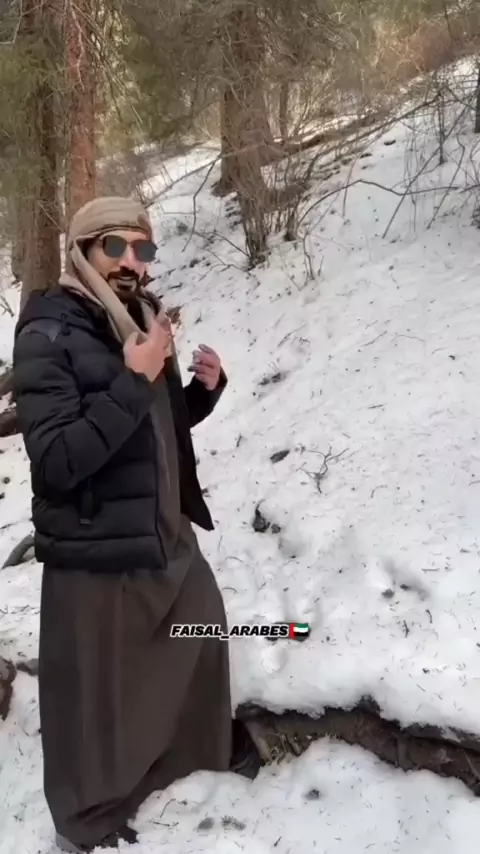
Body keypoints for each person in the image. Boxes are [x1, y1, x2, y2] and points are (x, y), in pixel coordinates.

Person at [12, 197, 259, 853]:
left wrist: (200, 393)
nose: (130, 262)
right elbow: (58, 459)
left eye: (142, 249)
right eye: (114, 246)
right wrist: (133, 378)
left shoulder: (141, 317)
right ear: (82, 252)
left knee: (199, 631)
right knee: (96, 697)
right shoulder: (48, 332)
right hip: (95, 544)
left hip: (160, 528)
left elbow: (151, 426)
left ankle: (194, 757)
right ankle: (88, 818)